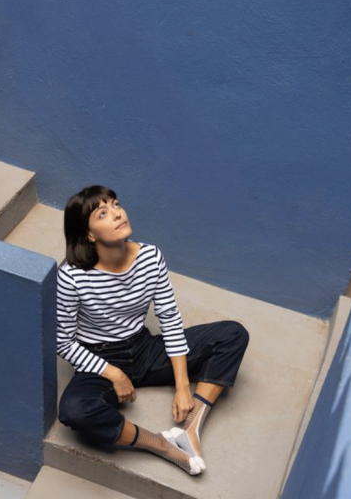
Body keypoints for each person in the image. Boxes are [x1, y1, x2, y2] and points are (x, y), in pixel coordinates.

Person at [56, 185, 250, 476]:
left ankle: (191, 429)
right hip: (100, 359)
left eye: (116, 204)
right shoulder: (71, 277)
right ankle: (160, 445)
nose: (117, 214)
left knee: (232, 334)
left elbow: (169, 319)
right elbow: (63, 342)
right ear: (89, 234)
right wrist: (113, 373)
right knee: (74, 411)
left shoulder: (150, 257)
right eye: (102, 213)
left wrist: (183, 388)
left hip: (144, 348)